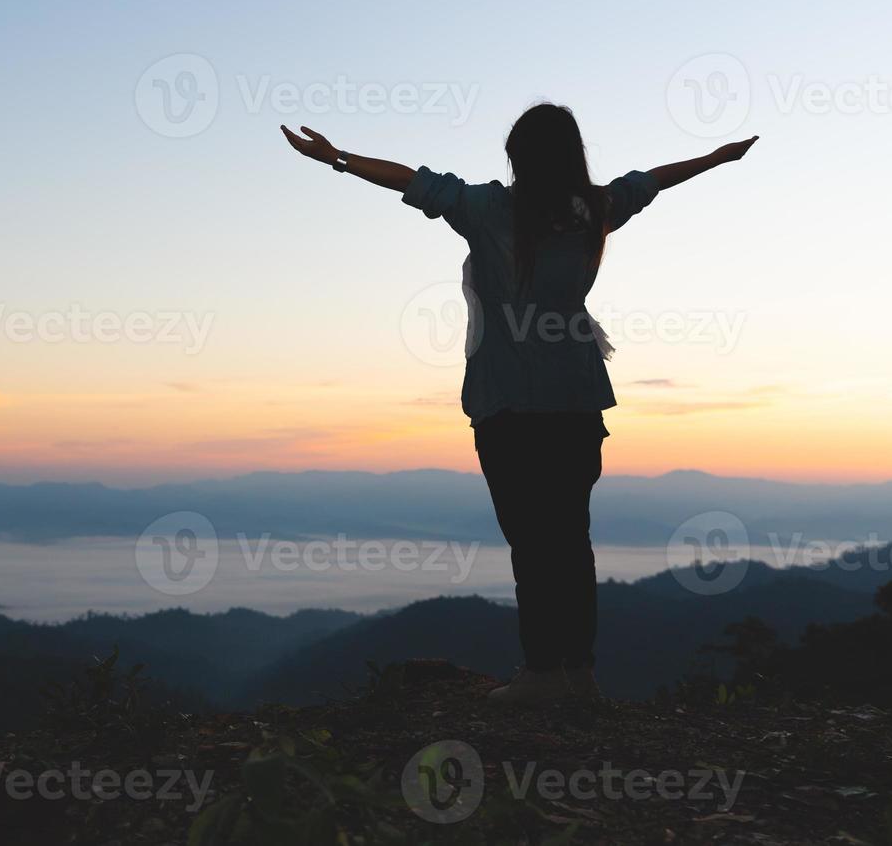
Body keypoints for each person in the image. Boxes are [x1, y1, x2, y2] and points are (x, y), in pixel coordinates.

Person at [281, 105, 759, 705]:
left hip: (507, 404)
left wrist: (339, 160)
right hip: (578, 402)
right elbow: (654, 179)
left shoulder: (488, 211)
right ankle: (578, 673)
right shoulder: (596, 211)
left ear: (517, 158)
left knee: (531, 542)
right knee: (570, 536)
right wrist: (716, 158)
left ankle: (539, 675)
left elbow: (410, 178)